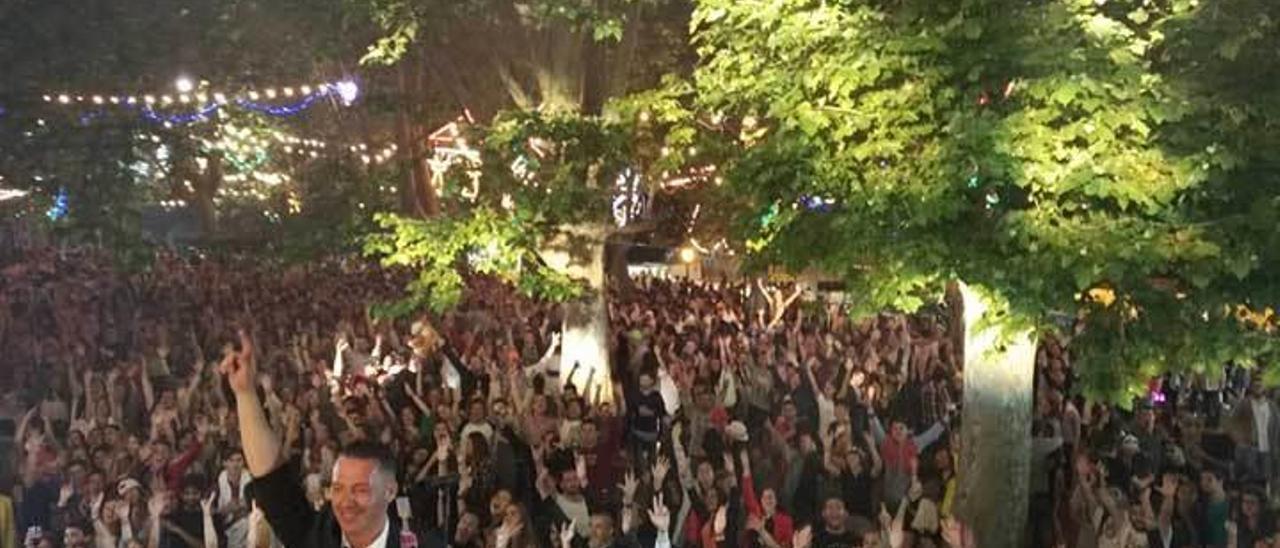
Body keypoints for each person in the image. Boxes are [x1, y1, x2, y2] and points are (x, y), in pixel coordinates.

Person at [220, 329, 404, 548]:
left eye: (360, 490)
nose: (346, 502)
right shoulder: (319, 536)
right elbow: (272, 483)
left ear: (389, 491)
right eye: (338, 489)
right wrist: (245, 394)